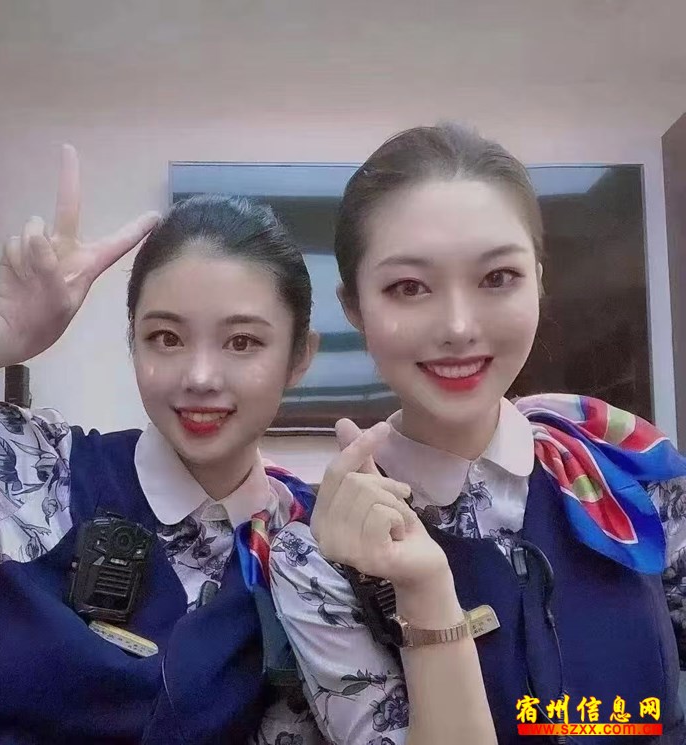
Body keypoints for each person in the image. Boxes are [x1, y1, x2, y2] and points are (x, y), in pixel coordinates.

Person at [270, 124, 686, 744]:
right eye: (409, 287)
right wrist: (423, 590)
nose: (459, 327)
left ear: (538, 280)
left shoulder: (624, 464)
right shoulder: (319, 554)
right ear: (353, 305)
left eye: (497, 278)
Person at [0, 145, 324, 744]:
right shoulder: (32, 473)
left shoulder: (315, 544)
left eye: (242, 342)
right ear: (132, 341)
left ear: (300, 357)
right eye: (166, 338)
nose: (200, 377)